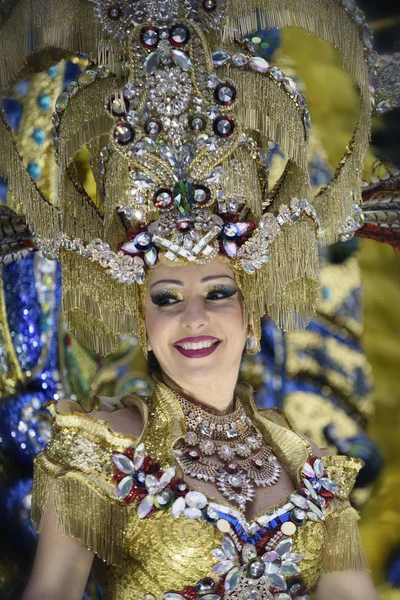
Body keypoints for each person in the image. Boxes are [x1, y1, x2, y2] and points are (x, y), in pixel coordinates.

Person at [0, 0, 386, 599]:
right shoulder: (102, 452)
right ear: (142, 318)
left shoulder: (312, 469)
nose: (194, 316)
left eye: (219, 291)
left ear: (251, 310)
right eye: (167, 296)